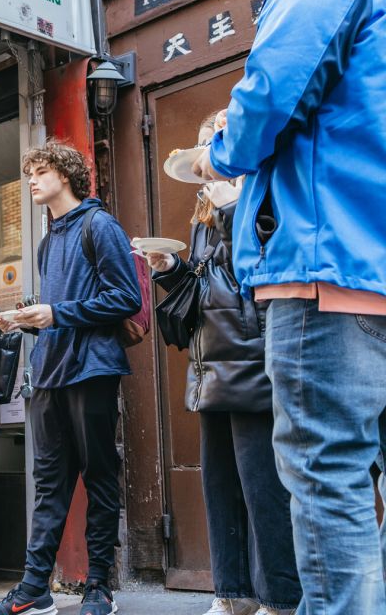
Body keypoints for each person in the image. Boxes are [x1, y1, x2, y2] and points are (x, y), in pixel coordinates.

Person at [192, 0, 386, 612]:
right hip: (368, 263)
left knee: (327, 480)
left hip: (324, 268)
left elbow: (272, 91)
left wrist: (217, 154)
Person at [149, 112, 300, 615]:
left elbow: (263, 273)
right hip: (211, 365)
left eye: (211, 151)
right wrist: (171, 270)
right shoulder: (205, 214)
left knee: (265, 489)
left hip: (253, 362)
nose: (205, 165)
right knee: (220, 487)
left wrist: (236, 207)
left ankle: (280, 597)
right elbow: (204, 291)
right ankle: (232, 593)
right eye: (200, 156)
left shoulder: (263, 193)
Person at [0, 141, 141, 615]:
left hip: (93, 368)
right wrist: (27, 320)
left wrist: (56, 313)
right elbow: (58, 310)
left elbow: (126, 298)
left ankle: (99, 587)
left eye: (41, 170)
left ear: (67, 175)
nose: (31, 179)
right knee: (50, 484)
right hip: (51, 374)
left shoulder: (100, 225)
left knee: (99, 478)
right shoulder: (46, 240)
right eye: (29, 171)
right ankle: (35, 587)